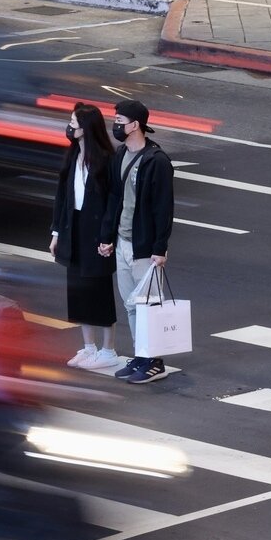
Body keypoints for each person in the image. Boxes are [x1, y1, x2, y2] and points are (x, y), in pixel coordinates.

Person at [97, 100, 175, 385]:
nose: (116, 126)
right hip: (122, 242)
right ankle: (141, 355)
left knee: (149, 306)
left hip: (144, 247)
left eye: (120, 121)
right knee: (131, 305)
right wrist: (107, 236)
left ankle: (155, 361)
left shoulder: (157, 161)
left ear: (135, 125)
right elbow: (114, 198)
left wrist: (159, 248)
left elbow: (163, 207)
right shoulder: (120, 155)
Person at [51, 105, 121, 372]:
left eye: (73, 123)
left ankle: (108, 350)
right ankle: (89, 347)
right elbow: (62, 197)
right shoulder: (73, 156)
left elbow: (113, 203)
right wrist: (56, 232)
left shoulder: (105, 160)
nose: (70, 128)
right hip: (74, 229)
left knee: (99, 292)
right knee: (78, 291)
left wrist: (107, 236)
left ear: (86, 129)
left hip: (97, 234)